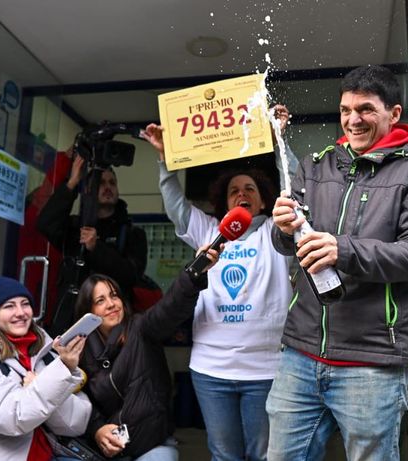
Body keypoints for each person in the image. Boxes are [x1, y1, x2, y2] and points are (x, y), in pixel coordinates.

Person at [267, 65, 408, 460]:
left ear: (394, 114)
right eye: (346, 109)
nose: (353, 119)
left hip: (373, 361)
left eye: (365, 109)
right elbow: (284, 244)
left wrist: (344, 250)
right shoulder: (315, 165)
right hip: (301, 353)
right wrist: (282, 228)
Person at [140, 104, 297, 461]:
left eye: (250, 189)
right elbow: (175, 206)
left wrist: (279, 141)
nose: (242, 194)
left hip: (266, 369)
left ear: (262, 199)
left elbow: (295, 189)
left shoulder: (277, 230)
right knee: (223, 454)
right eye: (234, 191)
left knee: (265, 455)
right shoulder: (210, 232)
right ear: (224, 201)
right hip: (210, 369)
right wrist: (165, 160)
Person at [77, 244, 221, 460]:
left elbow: (170, 308)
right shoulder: (82, 351)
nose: (111, 304)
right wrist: (97, 429)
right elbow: (78, 404)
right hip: (108, 450)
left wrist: (194, 272)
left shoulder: (140, 328)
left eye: (114, 296)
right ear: (88, 312)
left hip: (152, 445)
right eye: (100, 300)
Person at [0, 276, 92, 460]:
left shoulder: (48, 356)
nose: (21, 312)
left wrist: (47, 383)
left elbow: (77, 423)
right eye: (9, 306)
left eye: (25, 304)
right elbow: (11, 418)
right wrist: (53, 381)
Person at [37, 152, 148, 337]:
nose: (108, 187)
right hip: (71, 321)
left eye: (112, 183)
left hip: (112, 326)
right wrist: (72, 183)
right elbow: (45, 224)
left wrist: (97, 248)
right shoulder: (74, 227)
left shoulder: (132, 233)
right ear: (88, 189)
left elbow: (131, 275)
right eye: (101, 183)